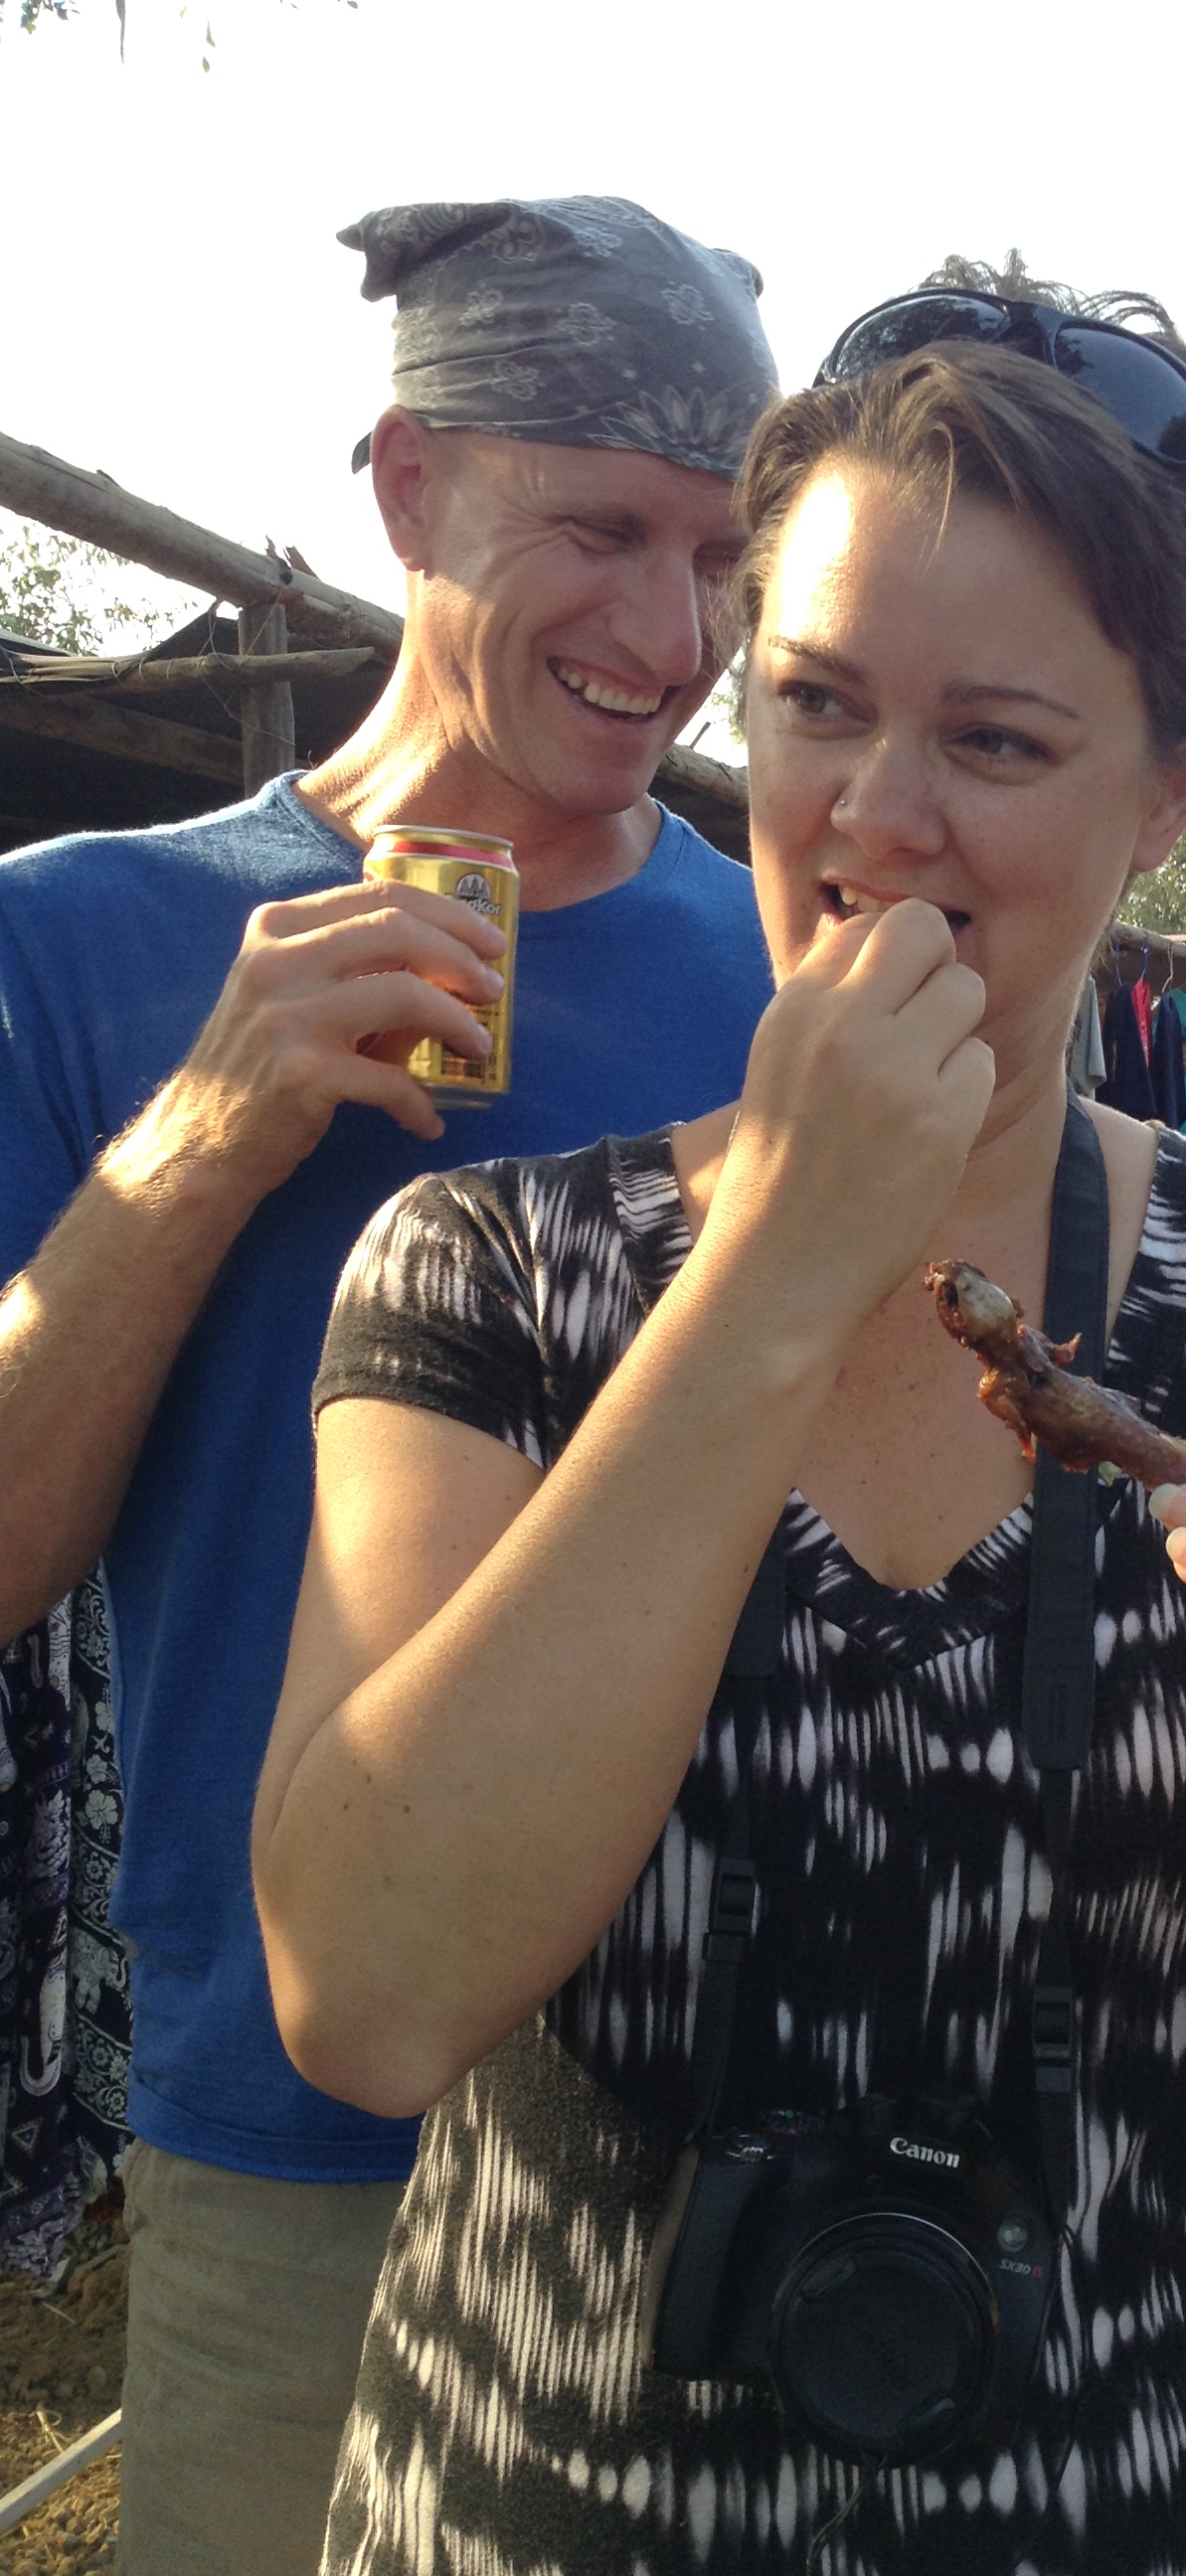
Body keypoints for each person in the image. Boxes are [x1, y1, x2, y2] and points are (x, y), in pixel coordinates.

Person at [254, 272, 1186, 2575]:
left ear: (1171, 780)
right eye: (814, 710)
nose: (875, 820)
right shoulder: (488, 1280)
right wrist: (777, 1276)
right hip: (559, 2505)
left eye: (992, 742)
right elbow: (367, 1997)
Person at [0, 196, 779, 2575]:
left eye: (726, 555)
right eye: (604, 532)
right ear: (409, 486)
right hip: (295, 2138)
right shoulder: (84, 939)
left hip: (727, 2112)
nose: (671, 636)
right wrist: (205, 1141)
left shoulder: (782, 962)